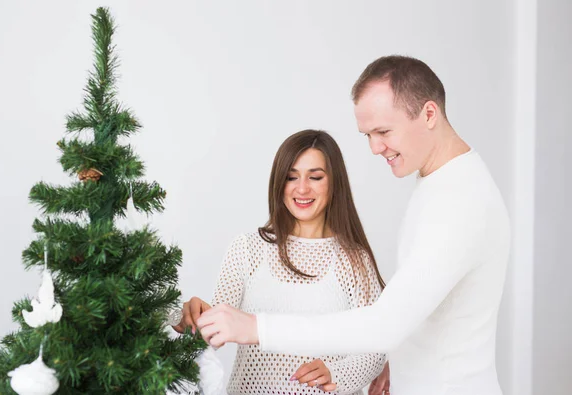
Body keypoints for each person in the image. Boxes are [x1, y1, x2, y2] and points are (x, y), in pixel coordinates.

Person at [196, 56, 511, 395]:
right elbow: (410, 315)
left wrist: (258, 328)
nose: (375, 148)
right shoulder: (436, 184)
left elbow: (386, 324)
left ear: (429, 114)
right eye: (368, 135)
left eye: (384, 132)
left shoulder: (460, 201)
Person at [174, 130, 387, 394]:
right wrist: (184, 316)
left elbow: (374, 346)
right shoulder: (247, 248)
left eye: (315, 177)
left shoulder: (354, 261)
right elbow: (216, 329)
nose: (302, 188)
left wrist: (337, 374)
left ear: (334, 183)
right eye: (291, 177)